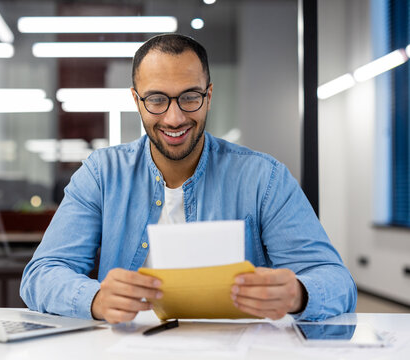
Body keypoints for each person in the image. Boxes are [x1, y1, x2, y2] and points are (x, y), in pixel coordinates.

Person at [20, 34, 357, 324]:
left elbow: (336, 281)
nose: (174, 116)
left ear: (208, 97)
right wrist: (93, 299)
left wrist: (298, 293)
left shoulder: (263, 178)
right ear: (136, 101)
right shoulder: (101, 174)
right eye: (156, 100)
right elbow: (41, 274)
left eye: (189, 97)